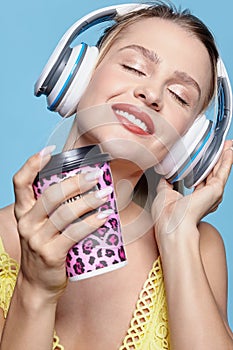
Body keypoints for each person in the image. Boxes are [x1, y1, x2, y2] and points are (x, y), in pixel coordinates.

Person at [0, 1, 233, 349]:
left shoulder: (201, 248)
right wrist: (35, 290)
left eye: (179, 95)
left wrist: (178, 235)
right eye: (133, 67)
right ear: (81, 75)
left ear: (188, 144)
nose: (151, 94)